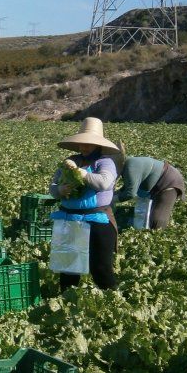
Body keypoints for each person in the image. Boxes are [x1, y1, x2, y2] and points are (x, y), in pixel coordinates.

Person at [49, 117, 120, 291]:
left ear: (98, 145)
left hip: (98, 220)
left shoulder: (105, 162)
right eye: (82, 144)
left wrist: (80, 173)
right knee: (68, 268)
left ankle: (111, 299)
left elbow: (104, 182)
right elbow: (52, 186)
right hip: (70, 220)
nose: (85, 147)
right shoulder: (70, 160)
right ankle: (67, 299)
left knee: (101, 267)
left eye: (89, 144)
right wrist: (60, 190)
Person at [115, 147, 186, 230]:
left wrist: (112, 200)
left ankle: (159, 237)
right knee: (144, 216)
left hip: (168, 182)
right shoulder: (126, 166)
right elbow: (126, 188)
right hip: (154, 186)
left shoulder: (130, 166)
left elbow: (130, 193)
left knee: (156, 221)